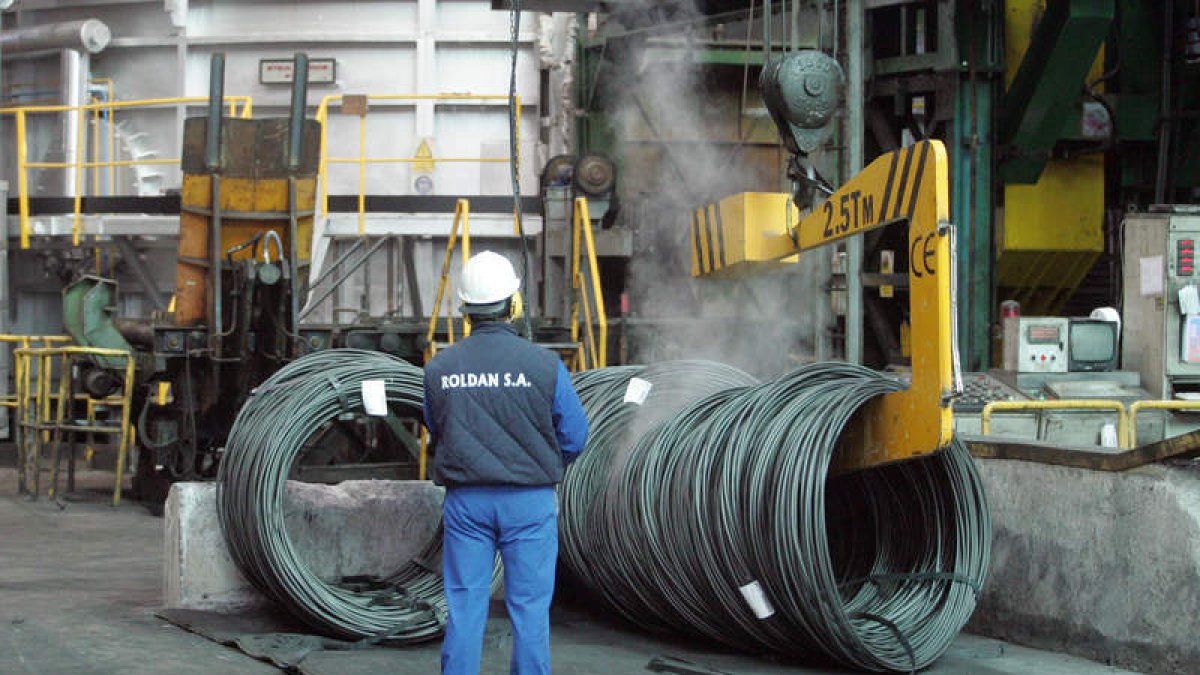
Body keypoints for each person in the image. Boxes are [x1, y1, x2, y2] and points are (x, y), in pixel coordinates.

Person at [423, 250, 589, 675]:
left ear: (465, 310)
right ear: (513, 305)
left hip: (467, 502)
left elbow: (437, 428)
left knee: (464, 605)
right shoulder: (545, 365)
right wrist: (540, 462)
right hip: (529, 503)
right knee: (530, 609)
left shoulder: (440, 368)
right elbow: (575, 435)